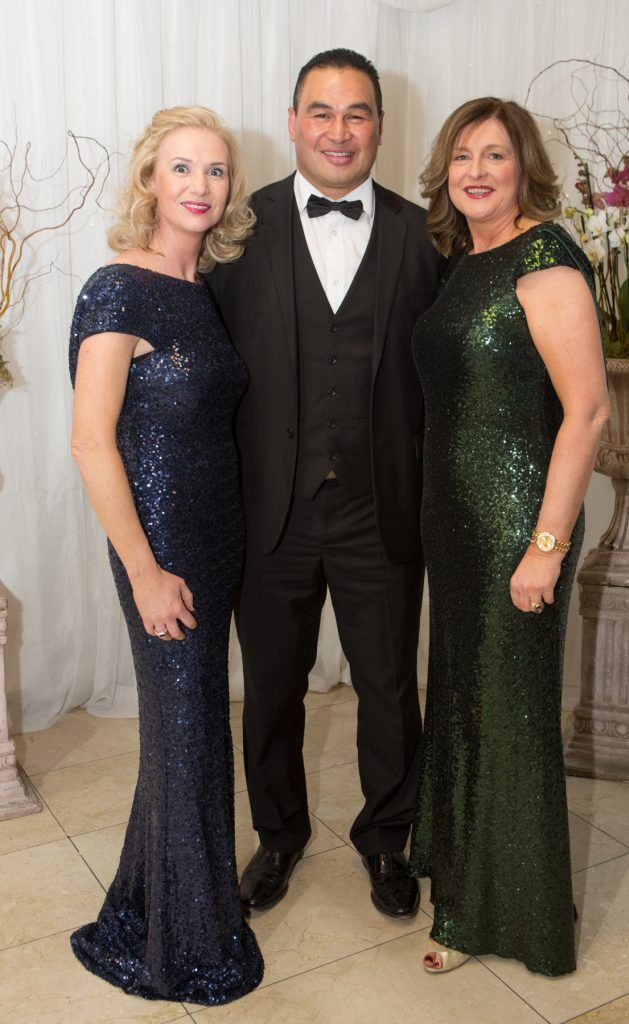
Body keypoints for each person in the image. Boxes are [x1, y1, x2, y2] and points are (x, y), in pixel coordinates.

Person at [206, 49, 443, 918]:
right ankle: (278, 836)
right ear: (294, 119)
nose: (338, 131)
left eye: (356, 113)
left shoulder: (429, 237)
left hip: (382, 510)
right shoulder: (236, 228)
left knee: (387, 686)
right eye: (320, 111)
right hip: (268, 512)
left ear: (378, 124)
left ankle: (387, 842)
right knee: (270, 687)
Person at [409, 97, 609, 976]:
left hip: (515, 526)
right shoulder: (464, 258)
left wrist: (547, 544)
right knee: (464, 705)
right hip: (452, 525)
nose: (476, 171)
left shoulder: (545, 260)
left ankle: (503, 913)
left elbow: (588, 412)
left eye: (494, 155)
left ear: (524, 166)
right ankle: (470, 885)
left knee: (508, 717)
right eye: (462, 156)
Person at [68, 106, 263, 1004]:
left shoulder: (203, 287)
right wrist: (144, 571)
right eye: (181, 168)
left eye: (215, 171)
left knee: (185, 733)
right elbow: (91, 443)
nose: (198, 185)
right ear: (150, 178)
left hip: (216, 540)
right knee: (187, 732)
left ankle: (166, 900)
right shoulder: (117, 287)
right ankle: (185, 940)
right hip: (160, 549)